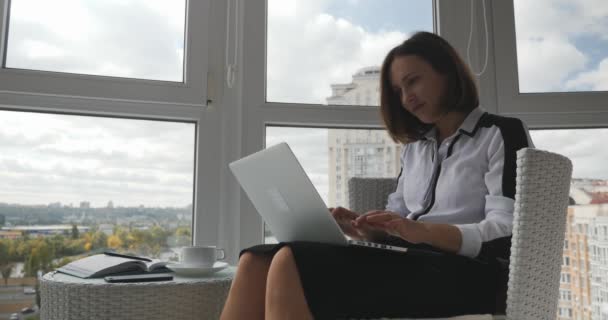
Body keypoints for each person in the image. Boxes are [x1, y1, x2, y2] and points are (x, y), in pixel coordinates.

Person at [220, 31, 533, 320]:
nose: (406, 97)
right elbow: (398, 224)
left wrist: (425, 232)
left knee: (293, 261)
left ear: (448, 72)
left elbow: (507, 234)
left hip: (470, 273)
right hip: (412, 263)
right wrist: (363, 228)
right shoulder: (415, 149)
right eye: (399, 90)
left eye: (413, 81)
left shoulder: (500, 133)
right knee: (254, 260)